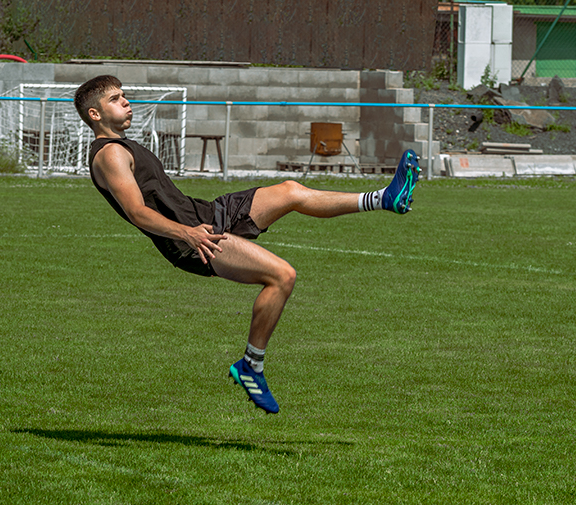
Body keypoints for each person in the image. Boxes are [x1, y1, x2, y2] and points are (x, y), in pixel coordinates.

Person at [74, 74, 420, 415]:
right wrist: (188, 234)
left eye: (124, 95)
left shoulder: (124, 147)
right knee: (282, 276)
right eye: (116, 99)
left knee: (290, 192)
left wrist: (195, 224)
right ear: (95, 114)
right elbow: (137, 212)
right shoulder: (109, 156)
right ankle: (251, 365)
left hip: (205, 214)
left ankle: (383, 199)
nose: (126, 102)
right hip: (196, 240)